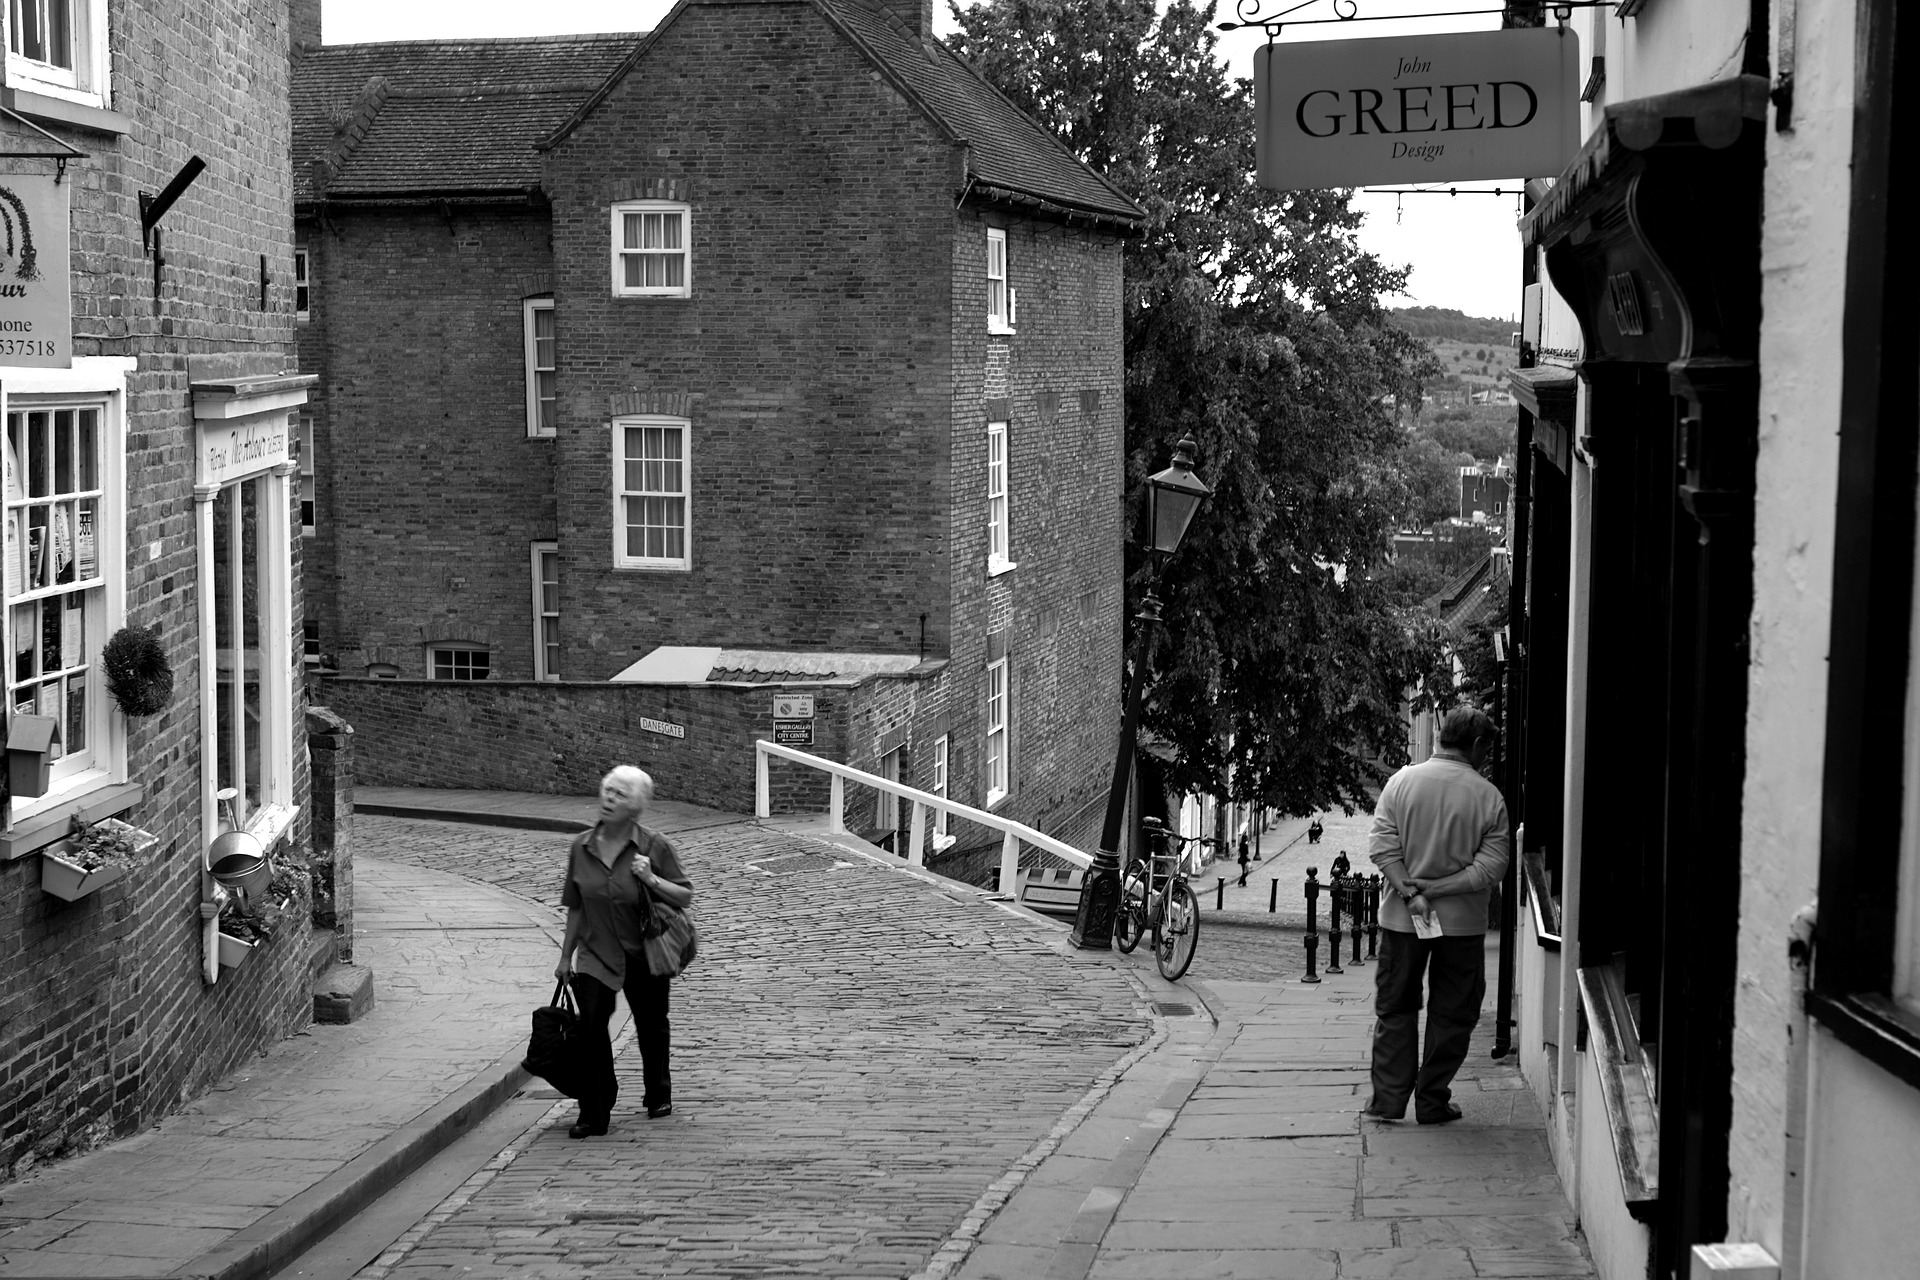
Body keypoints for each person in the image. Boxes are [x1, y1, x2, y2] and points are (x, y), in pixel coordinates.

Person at [1363, 706, 1510, 1126]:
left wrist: (1411, 891)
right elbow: (1490, 868)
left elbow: (1382, 847)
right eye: (1488, 748)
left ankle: (1388, 1102)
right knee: (1454, 1012)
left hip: (1400, 920)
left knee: (1396, 1007)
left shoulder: (1401, 782)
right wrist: (1439, 889)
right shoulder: (1487, 797)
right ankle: (1431, 1099)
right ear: (1478, 745)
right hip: (1462, 926)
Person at [555, 766, 695, 1139]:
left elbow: (685, 894)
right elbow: (576, 906)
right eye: (607, 791)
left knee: (651, 1024)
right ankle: (594, 1110)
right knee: (591, 1028)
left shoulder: (654, 846)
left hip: (644, 951)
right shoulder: (581, 846)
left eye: (619, 795)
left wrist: (651, 878)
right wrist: (564, 957)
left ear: (634, 807)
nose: (609, 798)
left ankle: (658, 1092)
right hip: (596, 953)